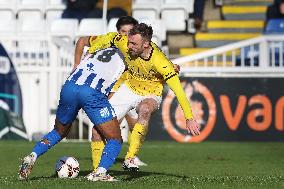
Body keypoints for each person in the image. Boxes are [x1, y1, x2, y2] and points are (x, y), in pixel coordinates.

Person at [83, 23, 200, 181]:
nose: (129, 46)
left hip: (151, 93)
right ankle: (98, 172)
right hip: (128, 89)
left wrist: (189, 118)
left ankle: (130, 158)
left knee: (145, 109)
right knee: (98, 129)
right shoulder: (125, 42)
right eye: (129, 42)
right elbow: (109, 38)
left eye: (134, 43)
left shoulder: (162, 62)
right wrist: (91, 51)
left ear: (146, 44)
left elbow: (179, 92)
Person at [19, 46, 126, 182]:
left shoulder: (101, 44)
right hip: (91, 91)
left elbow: (82, 40)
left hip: (70, 86)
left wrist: (77, 62)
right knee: (115, 139)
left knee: (59, 131)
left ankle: (33, 155)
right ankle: (101, 173)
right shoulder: (129, 54)